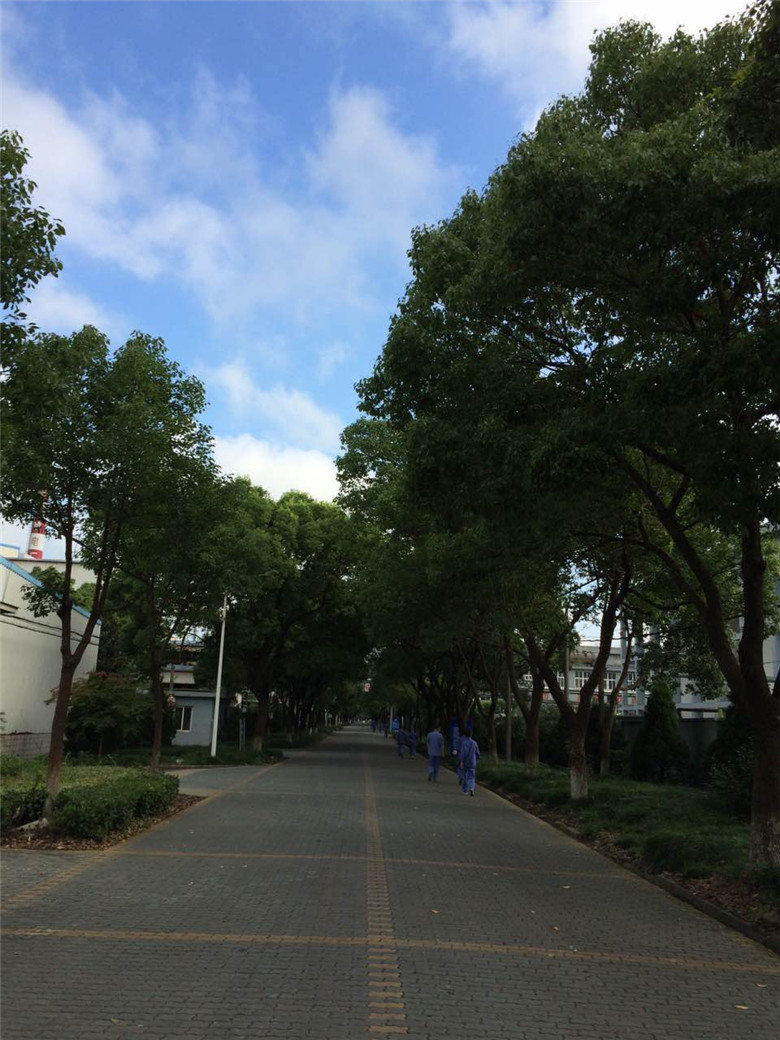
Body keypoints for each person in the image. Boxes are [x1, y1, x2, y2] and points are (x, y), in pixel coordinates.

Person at [458, 727, 480, 796]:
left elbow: (462, 753)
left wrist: (461, 761)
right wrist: (477, 758)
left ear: (465, 735)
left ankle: (465, 790)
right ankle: (471, 788)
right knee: (472, 776)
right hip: (472, 761)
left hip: (465, 761)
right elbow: (477, 752)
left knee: (465, 776)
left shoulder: (464, 743)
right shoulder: (474, 743)